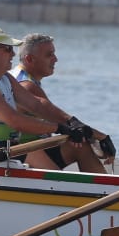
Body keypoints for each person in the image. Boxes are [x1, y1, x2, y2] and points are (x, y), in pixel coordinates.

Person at [0, 28, 92, 165]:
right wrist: (59, 128)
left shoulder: (4, 78)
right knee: (29, 152)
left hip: (0, 146)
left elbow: (35, 104)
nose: (14, 54)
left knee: (79, 147)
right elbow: (15, 121)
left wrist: (72, 122)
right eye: (8, 49)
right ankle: (59, 189)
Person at [15, 33, 113, 173]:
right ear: (30, 59)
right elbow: (65, 121)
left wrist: (91, 137)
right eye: (49, 55)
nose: (56, 59)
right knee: (80, 145)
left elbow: (65, 123)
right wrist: (102, 138)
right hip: (23, 150)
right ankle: (102, 190)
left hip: (37, 145)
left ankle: (101, 188)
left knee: (80, 145)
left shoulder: (21, 78)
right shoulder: (26, 86)